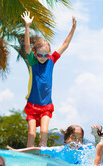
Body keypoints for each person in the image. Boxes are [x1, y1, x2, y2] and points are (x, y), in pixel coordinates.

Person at [21, 11, 77, 147]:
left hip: (46, 105)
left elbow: (64, 45)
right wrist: (27, 26)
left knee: (44, 132)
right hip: (33, 105)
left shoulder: (51, 61)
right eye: (40, 54)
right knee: (32, 134)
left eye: (46, 55)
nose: (43, 57)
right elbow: (27, 46)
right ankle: (29, 156)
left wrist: (73, 29)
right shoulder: (33, 61)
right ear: (35, 53)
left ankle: (43, 153)